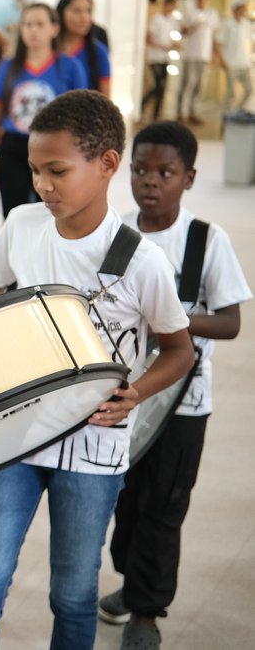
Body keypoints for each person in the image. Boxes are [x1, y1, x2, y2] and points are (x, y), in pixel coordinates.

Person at [0, 90, 195, 650]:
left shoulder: (141, 260)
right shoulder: (22, 224)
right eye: (36, 170)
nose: (43, 184)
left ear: (108, 164)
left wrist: (135, 392)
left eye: (57, 171)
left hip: (95, 447)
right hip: (14, 433)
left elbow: (179, 350)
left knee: (73, 593)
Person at [99, 121, 251, 650]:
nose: (150, 182)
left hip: (184, 402)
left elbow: (230, 322)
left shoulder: (207, 240)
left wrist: (170, 321)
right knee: (123, 499)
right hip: (124, 398)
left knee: (164, 505)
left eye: (165, 172)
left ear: (189, 177)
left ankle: (146, 612)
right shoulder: (115, 234)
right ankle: (130, 579)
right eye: (141, 170)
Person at [0, 3, 87, 217]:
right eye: (27, 24)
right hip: (14, 148)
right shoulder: (9, 66)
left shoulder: (70, 66)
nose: (32, 30)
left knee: (51, 216)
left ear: (54, 28)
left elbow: (82, 117)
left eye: (39, 24)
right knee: (14, 216)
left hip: (56, 150)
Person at [177, 0, 219, 125]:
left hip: (204, 55)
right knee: (187, 83)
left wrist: (214, 53)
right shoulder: (189, 11)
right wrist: (193, 26)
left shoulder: (212, 14)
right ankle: (180, 112)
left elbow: (213, 36)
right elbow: (182, 30)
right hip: (190, 53)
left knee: (199, 86)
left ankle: (192, 112)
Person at [57, 0, 111, 95]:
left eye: (88, 11)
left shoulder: (99, 53)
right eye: (77, 11)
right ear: (60, 13)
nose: (84, 17)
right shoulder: (47, 50)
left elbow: (105, 98)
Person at [142, 0, 179, 122]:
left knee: (163, 87)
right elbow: (149, 38)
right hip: (154, 57)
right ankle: (143, 104)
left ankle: (156, 114)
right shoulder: (156, 19)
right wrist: (163, 46)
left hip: (165, 58)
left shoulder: (171, 21)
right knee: (157, 85)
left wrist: (173, 45)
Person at [216, 0, 253, 111]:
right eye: (241, 8)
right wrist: (221, 59)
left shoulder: (246, 24)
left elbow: (251, 41)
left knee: (249, 90)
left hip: (244, 63)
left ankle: (237, 111)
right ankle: (226, 118)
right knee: (230, 94)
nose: (244, 10)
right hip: (231, 63)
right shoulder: (227, 24)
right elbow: (218, 42)